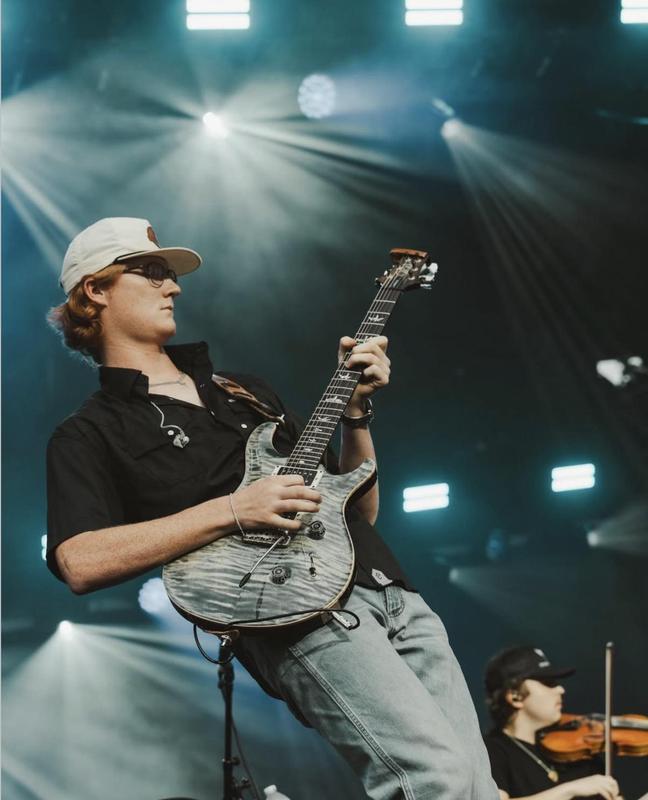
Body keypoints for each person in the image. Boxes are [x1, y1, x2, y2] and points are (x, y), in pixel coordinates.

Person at [46, 217, 500, 800]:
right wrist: (231, 510)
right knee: (431, 778)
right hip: (301, 618)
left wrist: (357, 413)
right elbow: (80, 561)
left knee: (476, 787)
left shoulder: (245, 389)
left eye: (171, 275)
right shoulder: (89, 432)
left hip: (393, 592)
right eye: (153, 272)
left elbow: (359, 514)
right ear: (96, 289)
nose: (174, 287)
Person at [483, 645, 622, 800]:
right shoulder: (491, 750)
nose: (560, 689)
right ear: (515, 697)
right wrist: (570, 790)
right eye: (548, 682)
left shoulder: (579, 751)